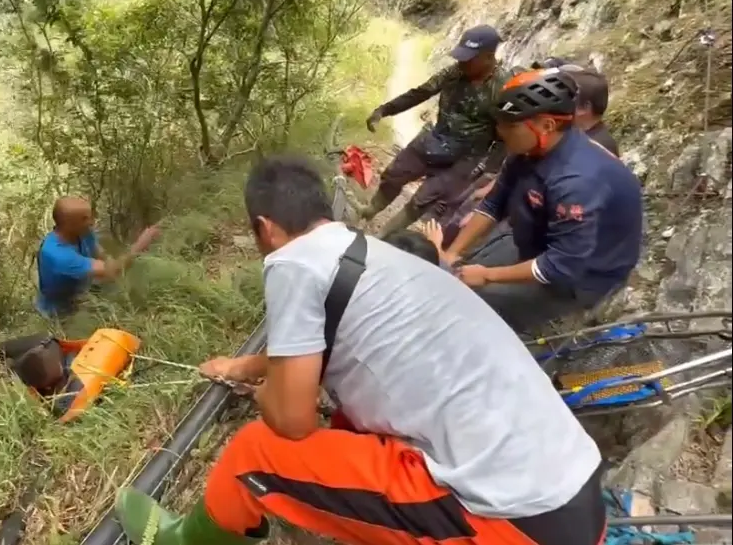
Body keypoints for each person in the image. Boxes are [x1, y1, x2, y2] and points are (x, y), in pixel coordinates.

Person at [114, 155, 605, 545]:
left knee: (253, 453)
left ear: (264, 228)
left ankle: (181, 540)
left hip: (508, 521)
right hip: (573, 494)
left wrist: (267, 392)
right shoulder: (371, 254)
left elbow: (292, 420)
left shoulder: (293, 262)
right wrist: (247, 365)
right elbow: (316, 341)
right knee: (349, 424)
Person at [442, 68, 642, 332]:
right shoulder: (529, 149)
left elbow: (559, 266)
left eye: (510, 125)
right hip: (541, 239)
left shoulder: (577, 181)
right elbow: (494, 203)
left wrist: (487, 275)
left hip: (579, 273)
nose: (500, 132)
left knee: (473, 304)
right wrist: (452, 253)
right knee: (455, 275)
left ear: (547, 125)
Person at [361, 25, 513, 237]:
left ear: (488, 57)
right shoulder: (454, 72)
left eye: (469, 59)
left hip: (464, 159)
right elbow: (421, 92)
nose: (462, 62)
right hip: (435, 139)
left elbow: (506, 135)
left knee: (421, 200)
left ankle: (381, 237)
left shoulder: (504, 89)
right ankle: (370, 210)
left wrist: (489, 170)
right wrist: (385, 110)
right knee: (394, 174)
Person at [35, 196, 161, 318]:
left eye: (90, 216)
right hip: (60, 313)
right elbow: (112, 271)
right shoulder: (58, 256)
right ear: (68, 225)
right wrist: (140, 245)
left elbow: (101, 255)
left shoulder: (83, 231)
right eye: (84, 219)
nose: (91, 222)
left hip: (83, 292)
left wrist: (112, 266)